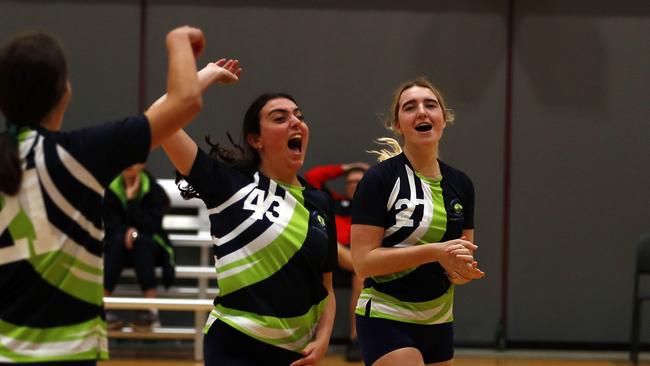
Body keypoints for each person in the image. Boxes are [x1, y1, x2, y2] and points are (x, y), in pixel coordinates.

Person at [0, 26, 234, 364]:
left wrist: (208, 72)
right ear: (63, 92)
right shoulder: (78, 156)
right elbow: (184, 102)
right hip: (67, 352)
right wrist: (179, 41)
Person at [159, 67, 337, 365]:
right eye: (280, 118)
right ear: (256, 139)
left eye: (299, 116)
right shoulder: (227, 184)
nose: (295, 121)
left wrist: (323, 340)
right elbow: (160, 117)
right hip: (235, 344)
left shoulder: (320, 202)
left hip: (296, 353)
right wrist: (207, 75)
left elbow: (327, 288)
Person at [350, 77, 485, 366]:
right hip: (386, 316)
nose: (422, 112)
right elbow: (362, 262)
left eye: (430, 105)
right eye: (410, 107)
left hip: (439, 319)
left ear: (443, 119)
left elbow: (458, 265)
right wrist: (434, 252)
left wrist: (462, 271)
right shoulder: (379, 179)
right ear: (398, 125)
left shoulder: (461, 184)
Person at [304, 162, 368, 361]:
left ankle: (355, 339)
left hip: (359, 261)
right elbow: (311, 178)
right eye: (349, 182)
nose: (352, 185)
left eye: (358, 182)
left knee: (361, 278)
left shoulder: (375, 206)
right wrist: (346, 168)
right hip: (334, 257)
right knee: (333, 246)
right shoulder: (334, 202)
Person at [102, 163, 175, 330]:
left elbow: (153, 225)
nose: (129, 164)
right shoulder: (110, 189)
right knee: (117, 241)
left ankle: (150, 311)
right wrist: (127, 230)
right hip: (118, 248)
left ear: (143, 164)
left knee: (142, 243)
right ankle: (102, 308)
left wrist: (131, 204)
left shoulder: (154, 190)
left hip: (148, 249)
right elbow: (110, 224)